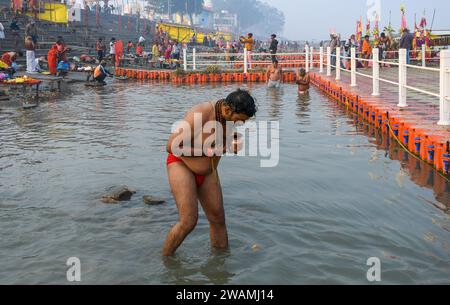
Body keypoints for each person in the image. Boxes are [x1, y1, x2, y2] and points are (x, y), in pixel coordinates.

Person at [163, 89, 257, 256]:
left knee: (218, 220)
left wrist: (236, 142)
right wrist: (209, 151)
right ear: (228, 110)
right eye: (239, 120)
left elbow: (230, 137)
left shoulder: (229, 117)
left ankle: (220, 266)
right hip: (182, 166)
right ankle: (165, 262)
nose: (240, 124)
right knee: (188, 222)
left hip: (208, 171)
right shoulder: (201, 112)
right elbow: (171, 146)